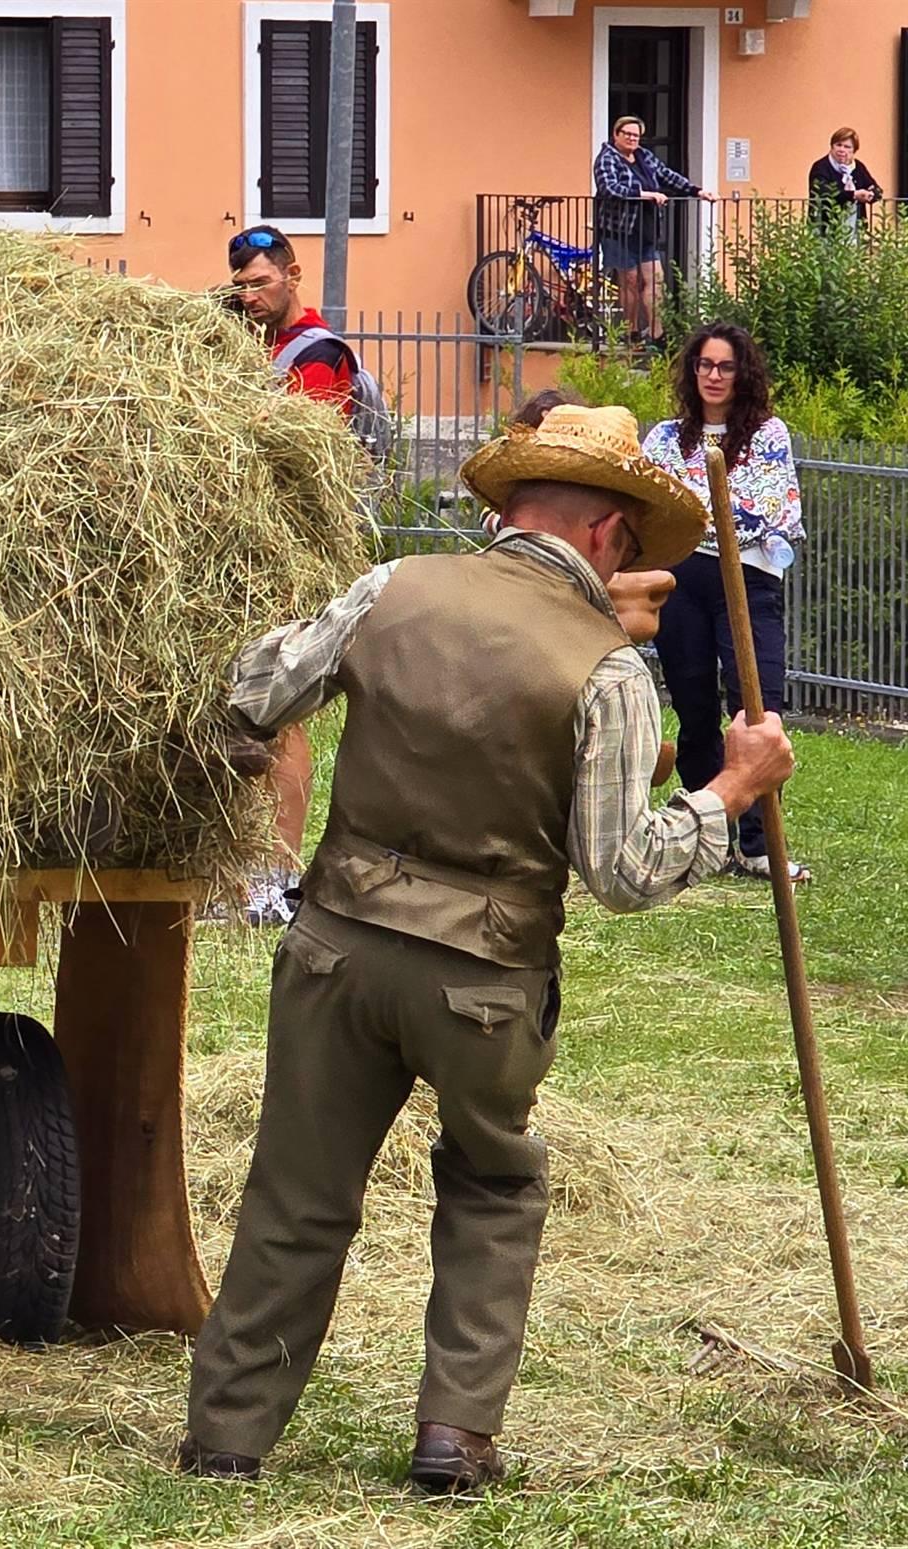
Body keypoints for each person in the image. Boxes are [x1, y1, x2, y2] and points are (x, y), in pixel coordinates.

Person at [178, 404, 793, 1492]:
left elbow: (254, 693)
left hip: (337, 947)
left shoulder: (392, 588)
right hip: (486, 976)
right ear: (608, 535)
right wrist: (727, 790)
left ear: (510, 509)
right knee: (491, 1186)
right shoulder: (605, 671)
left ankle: (228, 1434)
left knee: (295, 1192)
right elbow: (623, 873)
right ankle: (453, 1436)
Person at [640, 322, 809, 884]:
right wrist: (705, 514)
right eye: (704, 365)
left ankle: (761, 845)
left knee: (756, 710)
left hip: (748, 579)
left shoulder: (767, 434)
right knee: (693, 709)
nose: (713, 376)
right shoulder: (666, 437)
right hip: (681, 578)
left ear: (743, 374)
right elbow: (650, 503)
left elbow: (772, 511)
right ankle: (703, 840)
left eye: (725, 367)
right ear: (693, 372)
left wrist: (700, 512)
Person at [226, 224, 360, 927]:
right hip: (250, 548)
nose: (251, 295)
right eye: (241, 285)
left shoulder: (315, 354)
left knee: (284, 714)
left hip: (294, 553)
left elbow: (301, 453)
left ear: (293, 274)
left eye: (261, 281)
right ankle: (244, 865)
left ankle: (277, 877)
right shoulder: (253, 349)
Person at [592, 117, 713, 347]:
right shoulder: (606, 159)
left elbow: (667, 175)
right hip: (618, 231)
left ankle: (658, 334)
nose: (631, 139)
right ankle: (631, 332)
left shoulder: (644, 157)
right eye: (627, 134)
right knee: (630, 280)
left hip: (646, 229)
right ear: (616, 135)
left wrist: (697, 191)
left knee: (655, 280)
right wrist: (645, 194)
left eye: (635, 135)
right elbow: (610, 188)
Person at [808, 128, 884, 233]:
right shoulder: (821, 167)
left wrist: (871, 194)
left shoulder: (858, 168)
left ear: (854, 150)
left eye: (847, 147)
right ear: (832, 146)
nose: (842, 150)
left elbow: (876, 190)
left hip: (855, 227)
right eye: (838, 145)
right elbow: (823, 193)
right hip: (825, 227)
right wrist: (853, 195)